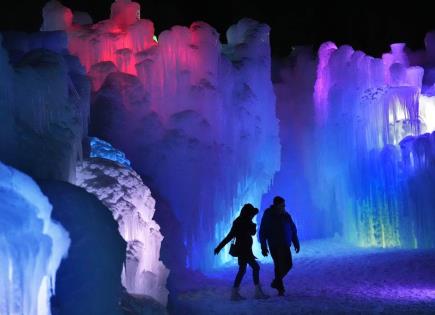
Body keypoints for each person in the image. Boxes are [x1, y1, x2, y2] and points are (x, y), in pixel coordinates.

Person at [214, 203, 269, 301]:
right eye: (251, 213)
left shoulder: (238, 221)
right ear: (248, 213)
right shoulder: (245, 222)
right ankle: (257, 292)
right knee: (255, 267)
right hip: (245, 250)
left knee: (242, 270)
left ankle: (235, 293)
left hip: (242, 250)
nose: (252, 215)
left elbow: (230, 236)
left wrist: (219, 247)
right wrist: (219, 247)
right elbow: (252, 233)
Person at [259, 196, 300, 296]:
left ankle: (277, 282)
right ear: (276, 205)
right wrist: (263, 246)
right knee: (278, 265)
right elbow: (263, 230)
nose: (284, 207)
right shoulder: (268, 214)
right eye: (282, 205)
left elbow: (293, 229)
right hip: (274, 244)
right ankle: (280, 288)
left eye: (284, 205)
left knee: (287, 264)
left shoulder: (286, 215)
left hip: (284, 244)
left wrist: (296, 242)